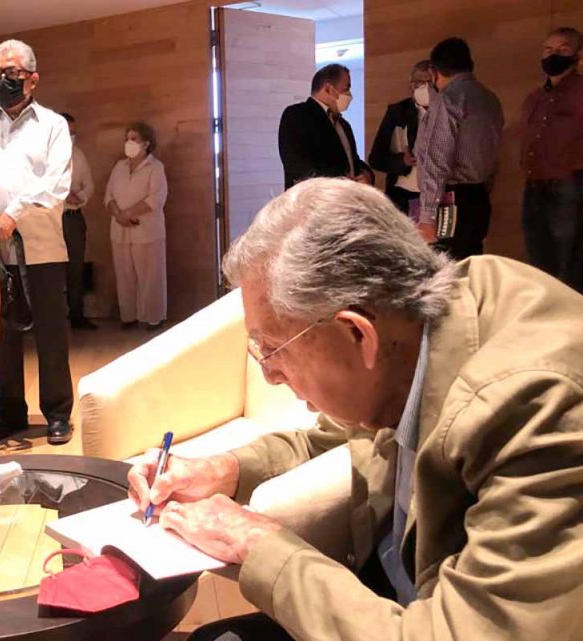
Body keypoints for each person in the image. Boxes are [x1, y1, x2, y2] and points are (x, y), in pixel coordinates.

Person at [129, 177, 583, 641]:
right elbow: (329, 437)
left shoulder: (534, 408)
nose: (269, 375)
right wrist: (221, 470)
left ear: (357, 334)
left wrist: (256, 542)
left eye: (273, 349)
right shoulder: (410, 336)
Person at [0, 40, 75, 446]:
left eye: (11, 73)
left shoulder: (53, 125)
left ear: (32, 79)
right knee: (0, 338)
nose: (2, 81)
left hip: (42, 247)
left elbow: (56, 184)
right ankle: (9, 412)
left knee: (51, 334)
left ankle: (57, 413)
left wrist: (13, 213)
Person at [415, 37, 503, 258]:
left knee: (446, 267)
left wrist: (427, 216)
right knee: (472, 263)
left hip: (451, 200)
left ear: (435, 71)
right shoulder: (489, 99)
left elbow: (437, 160)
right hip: (479, 196)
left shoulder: (448, 100)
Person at [520, 26, 583, 293]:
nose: (553, 55)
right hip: (534, 186)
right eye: (548, 50)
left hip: (569, 187)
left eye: (562, 49)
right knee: (539, 265)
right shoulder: (535, 97)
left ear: (577, 55)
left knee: (570, 267)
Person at [104, 122, 168, 331]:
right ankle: (128, 316)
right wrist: (118, 215)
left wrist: (129, 214)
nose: (129, 143)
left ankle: (154, 317)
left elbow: (156, 198)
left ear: (146, 143)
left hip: (147, 230)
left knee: (150, 276)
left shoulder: (155, 167)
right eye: (127, 139)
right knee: (124, 276)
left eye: (134, 139)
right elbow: (108, 196)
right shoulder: (119, 167)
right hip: (120, 230)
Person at [278, 63, 373, 190]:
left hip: (346, 198)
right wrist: (337, 181)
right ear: (328, 89)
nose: (350, 95)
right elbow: (296, 163)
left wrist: (366, 174)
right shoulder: (297, 115)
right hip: (314, 198)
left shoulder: (343, 125)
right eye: (346, 89)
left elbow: (351, 159)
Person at [369, 60, 433, 214]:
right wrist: (402, 161)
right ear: (411, 86)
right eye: (419, 82)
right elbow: (375, 158)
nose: (424, 87)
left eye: (429, 82)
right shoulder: (397, 112)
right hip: (402, 194)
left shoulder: (447, 112)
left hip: (437, 194)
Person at [61, 112, 98, 330]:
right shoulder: (44, 155)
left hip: (74, 219)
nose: (71, 136)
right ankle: (51, 320)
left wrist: (80, 197)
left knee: (75, 269)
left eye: (73, 132)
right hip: (52, 220)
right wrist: (64, 195)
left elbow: (89, 185)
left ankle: (77, 314)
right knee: (51, 271)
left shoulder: (78, 155)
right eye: (67, 131)